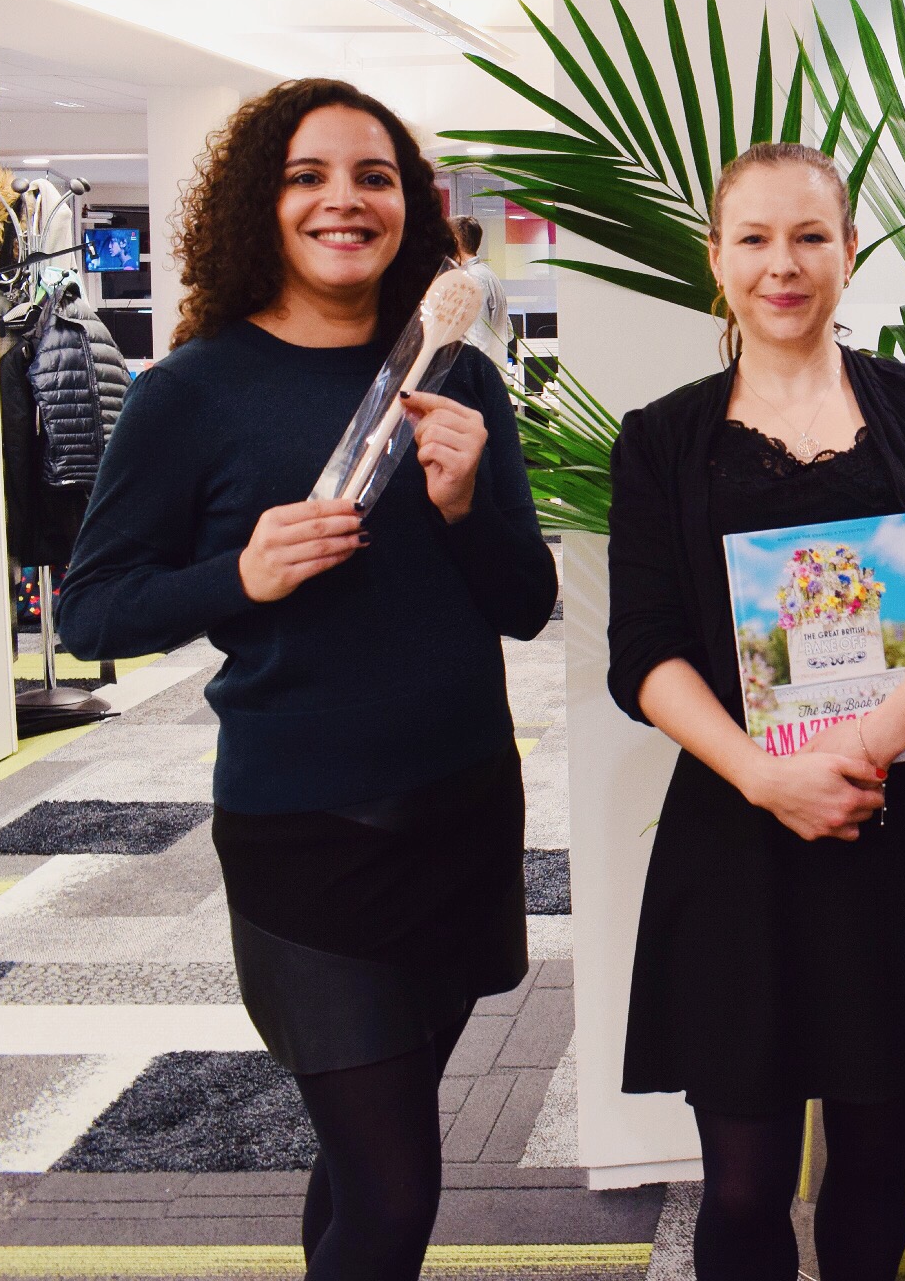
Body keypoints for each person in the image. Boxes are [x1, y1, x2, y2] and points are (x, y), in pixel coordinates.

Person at [58, 79, 559, 1281]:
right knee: (395, 1192)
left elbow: (525, 605)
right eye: (309, 176)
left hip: (463, 808)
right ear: (260, 207)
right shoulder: (192, 392)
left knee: (359, 1159)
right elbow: (91, 612)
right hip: (309, 835)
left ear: (411, 208)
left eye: (374, 176)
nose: (345, 200)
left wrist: (456, 503)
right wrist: (243, 572)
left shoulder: (458, 376)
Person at [604, 142, 905, 1280]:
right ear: (717, 259)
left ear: (850, 252)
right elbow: (644, 652)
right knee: (744, 1183)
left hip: (902, 824)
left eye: (810, 236)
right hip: (741, 833)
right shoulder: (661, 439)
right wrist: (765, 774)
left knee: (871, 1155)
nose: (783, 264)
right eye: (753, 238)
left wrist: (863, 745)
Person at [448, 213, 511, 350]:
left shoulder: (471, 278)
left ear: (455, 241)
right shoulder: (487, 274)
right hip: (493, 366)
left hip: (477, 369)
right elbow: (508, 332)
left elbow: (476, 341)